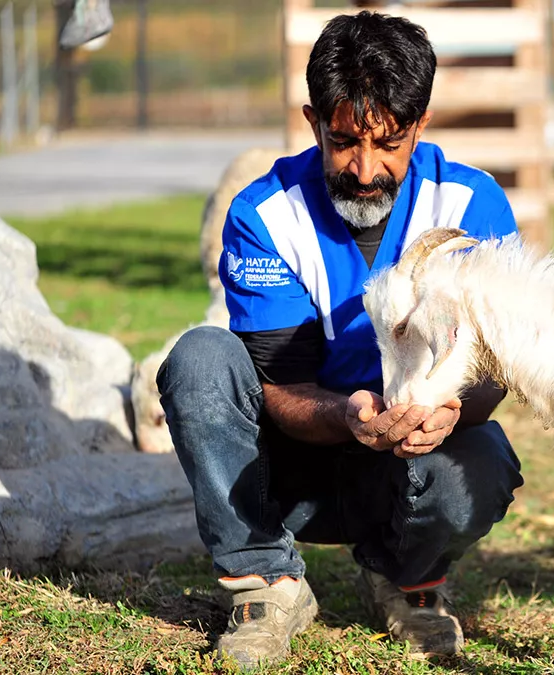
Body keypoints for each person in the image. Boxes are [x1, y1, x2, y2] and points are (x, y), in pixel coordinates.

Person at [156, 11, 524, 672]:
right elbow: (280, 384)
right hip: (289, 470)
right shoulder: (264, 215)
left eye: (389, 143)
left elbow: (496, 370)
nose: (364, 168)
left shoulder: (474, 209)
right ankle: (265, 584)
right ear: (313, 120)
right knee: (199, 360)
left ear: (421, 125)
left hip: (409, 471)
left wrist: (452, 406)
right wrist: (352, 414)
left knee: (486, 463)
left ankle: (404, 577)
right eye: (344, 140)